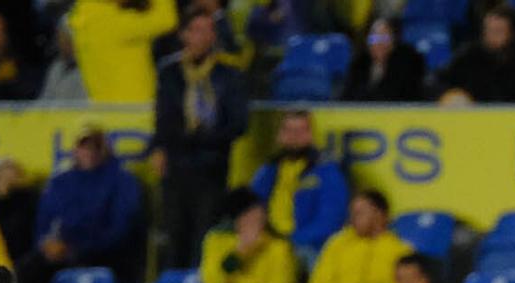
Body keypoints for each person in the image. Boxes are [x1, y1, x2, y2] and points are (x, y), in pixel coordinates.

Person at [153, 8, 249, 269]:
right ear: (184, 34)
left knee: (204, 237)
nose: (204, 36)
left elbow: (239, 124)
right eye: (196, 30)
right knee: (175, 235)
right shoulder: (170, 73)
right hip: (177, 168)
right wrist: (160, 146)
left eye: (209, 30)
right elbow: (163, 117)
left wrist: (203, 138)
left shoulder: (229, 75)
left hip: (211, 168)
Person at [24, 127, 145, 283]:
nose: (89, 153)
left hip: (105, 252)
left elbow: (121, 227)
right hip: (65, 251)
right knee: (29, 268)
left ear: (104, 149)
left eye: (94, 147)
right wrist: (46, 244)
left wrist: (80, 248)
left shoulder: (122, 181)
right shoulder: (61, 182)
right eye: (84, 147)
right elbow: (45, 221)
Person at [250, 110, 349, 259]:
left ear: (310, 135)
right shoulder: (268, 170)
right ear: (280, 135)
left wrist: (293, 240)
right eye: (288, 130)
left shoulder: (326, 170)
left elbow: (331, 219)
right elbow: (250, 206)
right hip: (269, 241)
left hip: (307, 245)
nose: (293, 136)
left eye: (300, 131)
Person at [308, 190, 413, 283]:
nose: (352, 218)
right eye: (352, 213)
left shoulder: (399, 250)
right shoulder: (338, 243)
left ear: (379, 214)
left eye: (359, 213)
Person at [199, 190, 300, 283]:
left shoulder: (278, 248)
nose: (257, 220)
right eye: (249, 216)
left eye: (259, 215)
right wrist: (239, 253)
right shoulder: (217, 242)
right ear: (237, 219)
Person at [68, 0, 178, 105]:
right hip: (136, 108)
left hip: (106, 109)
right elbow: (166, 19)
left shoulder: (84, 16)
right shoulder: (109, 21)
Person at [438, 3, 515, 105]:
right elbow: (440, 81)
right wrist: (454, 95)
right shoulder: (470, 55)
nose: (491, 36)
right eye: (488, 30)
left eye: (498, 31)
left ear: (513, 34)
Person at [345, 16, 426, 101]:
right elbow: (348, 97)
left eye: (385, 38)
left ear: (393, 42)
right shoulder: (359, 65)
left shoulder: (406, 65)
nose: (379, 44)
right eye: (375, 39)